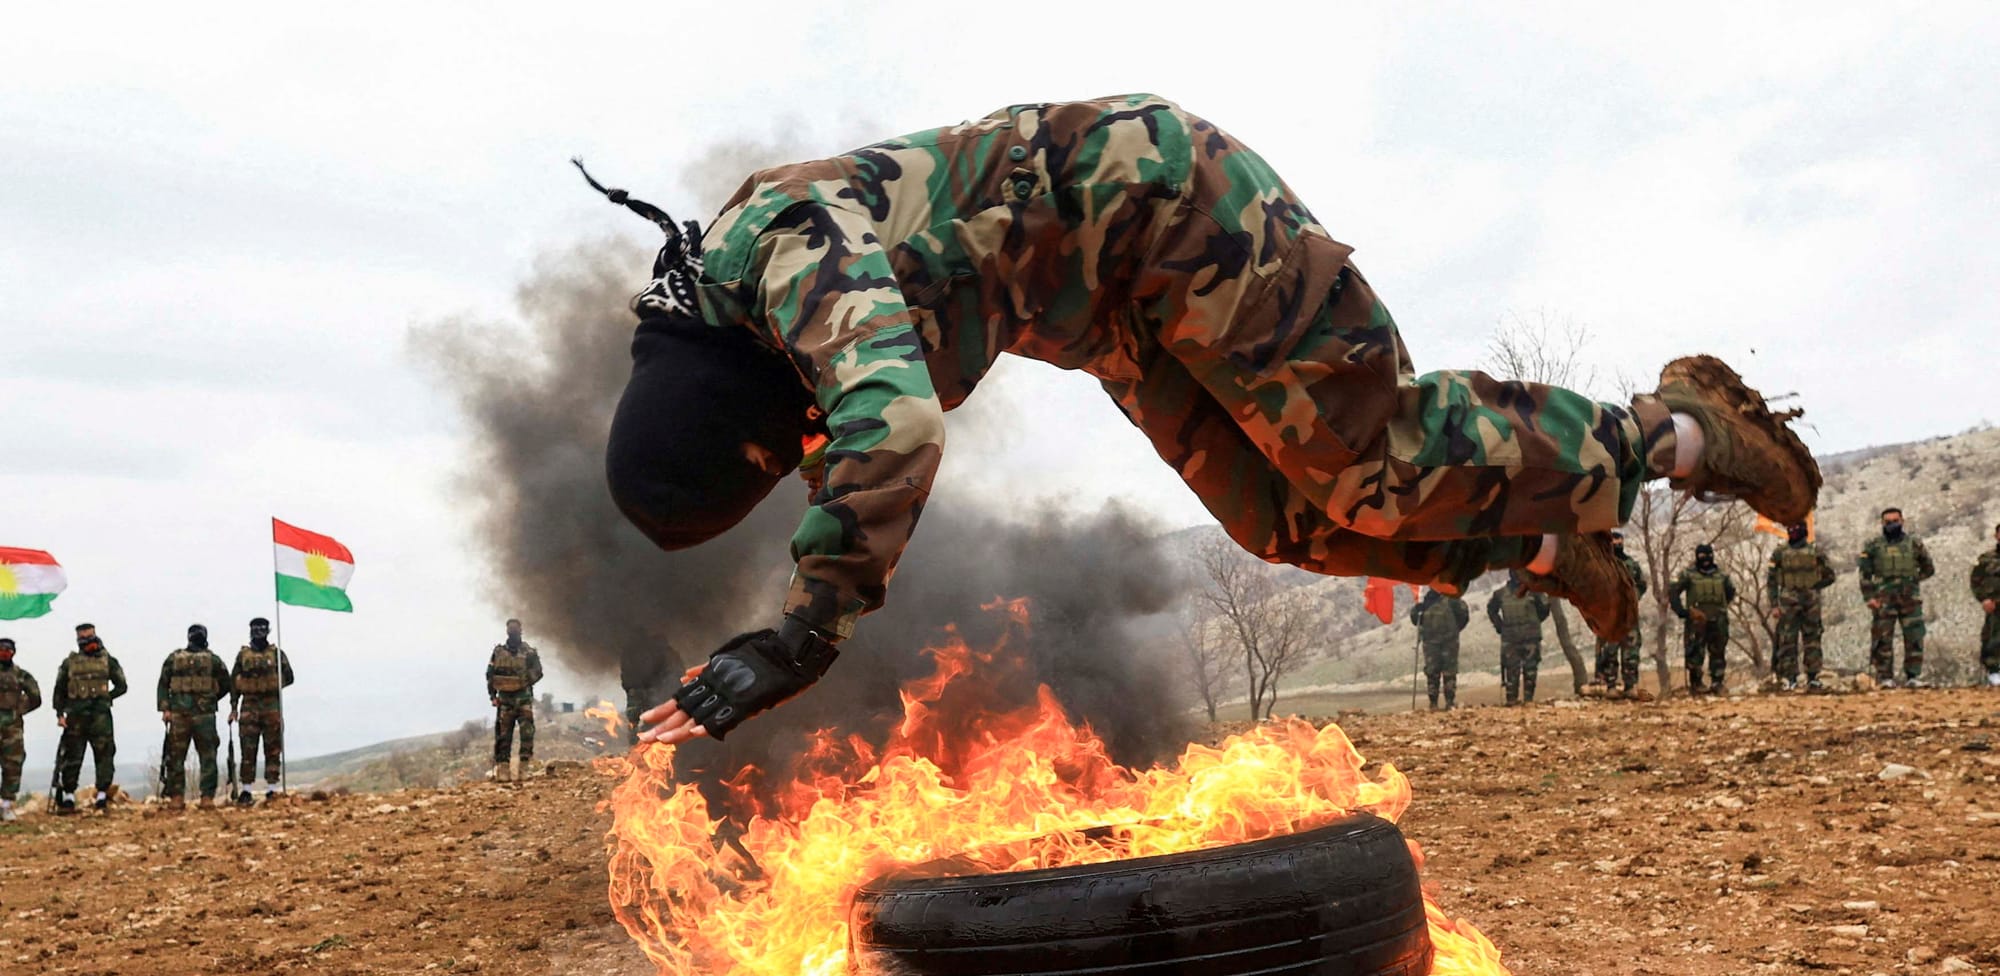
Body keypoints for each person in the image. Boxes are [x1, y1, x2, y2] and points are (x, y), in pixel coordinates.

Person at [581, 95, 1819, 744]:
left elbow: (894, 429)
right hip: (1109, 308)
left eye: (784, 446)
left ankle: (1678, 429)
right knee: (1286, 520)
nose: (804, 448)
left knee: (1369, 456)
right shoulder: (737, 323)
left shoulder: (779, 252)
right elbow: (851, 425)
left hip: (1166, 206)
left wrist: (804, 633)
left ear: (736, 409)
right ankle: (1548, 545)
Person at [51, 623, 127, 813]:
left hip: (100, 717)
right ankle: (68, 797)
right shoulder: (70, 663)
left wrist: (106, 697)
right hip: (75, 717)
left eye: (89, 637)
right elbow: (59, 690)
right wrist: (60, 714)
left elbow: (122, 685)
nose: (87, 641)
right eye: (83, 638)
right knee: (72, 756)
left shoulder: (107, 660)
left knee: (104, 755)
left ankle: (102, 796)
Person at [156, 624, 232, 809]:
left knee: (207, 756)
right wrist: (166, 709)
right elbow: (163, 684)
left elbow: (226, 683)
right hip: (181, 715)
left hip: (202, 716)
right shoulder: (174, 659)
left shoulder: (213, 661)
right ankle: (177, 797)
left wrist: (210, 698)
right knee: (176, 757)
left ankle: (207, 797)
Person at [1858, 507, 1935, 688]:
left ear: (1902, 521)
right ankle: (1885, 678)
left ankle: (1913, 676)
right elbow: (1864, 574)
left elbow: (1928, 568)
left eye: (1895, 521)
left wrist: (1914, 580)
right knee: (1883, 639)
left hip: (1910, 599)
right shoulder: (1873, 546)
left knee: (1914, 637)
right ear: (1882, 523)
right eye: (1888, 522)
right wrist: (1869, 597)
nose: (1892, 524)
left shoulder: (1914, 544)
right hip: (1884, 599)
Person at [229, 617, 295, 805]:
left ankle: (272, 789)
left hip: (271, 707)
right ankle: (246, 791)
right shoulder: (243, 655)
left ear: (268, 630)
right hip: (249, 707)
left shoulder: (276, 654)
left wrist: (273, 683)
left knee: (273, 748)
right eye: (255, 628)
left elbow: (289, 676)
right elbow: (234, 682)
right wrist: (233, 708)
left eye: (262, 628)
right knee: (248, 750)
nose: (259, 631)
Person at [1765, 521, 1837, 692]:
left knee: (1812, 639)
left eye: (1796, 528)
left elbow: (1830, 575)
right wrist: (1774, 605)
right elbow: (1771, 581)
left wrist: (1814, 587)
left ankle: (1813, 677)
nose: (1793, 531)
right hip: (1788, 602)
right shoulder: (1780, 553)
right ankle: (1789, 678)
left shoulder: (1815, 552)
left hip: (1810, 603)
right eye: (1790, 528)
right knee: (1787, 640)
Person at [1669, 543, 1737, 696]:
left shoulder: (1722, 576)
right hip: (1697, 620)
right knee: (1695, 653)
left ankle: (1717, 683)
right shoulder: (1688, 575)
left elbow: (1730, 592)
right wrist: (1682, 612)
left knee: (1718, 652)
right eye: (1702, 556)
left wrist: (1720, 608)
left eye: (1708, 556)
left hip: (1718, 619)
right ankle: (1696, 684)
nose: (1705, 559)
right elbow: (1673, 592)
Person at [1593, 530, 1649, 698]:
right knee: (1609, 651)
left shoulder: (1632, 564)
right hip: (1608, 615)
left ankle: (1630, 686)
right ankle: (1610, 686)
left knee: (1631, 651)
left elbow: (1642, 585)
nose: (1617, 543)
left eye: (1619, 540)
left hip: (1628, 615)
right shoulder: (1601, 564)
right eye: (1614, 540)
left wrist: (1634, 598)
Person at [487, 619, 544, 778]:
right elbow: (490, 674)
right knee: (504, 737)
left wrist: (525, 681)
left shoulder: (528, 652)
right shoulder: (499, 652)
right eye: (511, 629)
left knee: (527, 733)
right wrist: (493, 696)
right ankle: (503, 770)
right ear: (507, 632)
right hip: (505, 700)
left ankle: (524, 768)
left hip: (523, 699)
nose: (513, 632)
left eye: (515, 629)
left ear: (520, 631)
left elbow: (538, 672)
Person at [1486, 572, 1550, 706]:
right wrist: (1500, 626)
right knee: (1511, 671)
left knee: (1530, 670)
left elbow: (1544, 609)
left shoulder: (1534, 592)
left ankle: (1528, 700)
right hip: (1511, 639)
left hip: (1530, 638)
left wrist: (1534, 623)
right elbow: (1491, 610)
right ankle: (1512, 700)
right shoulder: (1501, 594)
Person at [0, 637, 41, 822]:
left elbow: (35, 697)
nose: (5, 653)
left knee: (13, 765)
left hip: (12, 727)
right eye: (1, 650)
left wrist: (18, 709)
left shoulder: (21, 675)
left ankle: (6, 805)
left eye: (8, 650)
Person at [1409, 589, 1469, 710]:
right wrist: (1417, 609)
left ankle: (1450, 702)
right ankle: (1433, 703)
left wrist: (1454, 631)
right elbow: (1415, 620)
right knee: (1432, 673)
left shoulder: (1452, 600)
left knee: (1450, 672)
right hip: (1431, 644)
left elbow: (1463, 615)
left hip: (1449, 642)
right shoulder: (1425, 601)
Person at [621, 638, 685, 745]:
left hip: (661, 690)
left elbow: (676, 675)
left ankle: (649, 744)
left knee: (656, 715)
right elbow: (627, 676)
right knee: (635, 716)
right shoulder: (631, 654)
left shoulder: (667, 655)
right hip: (640, 688)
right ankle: (637, 744)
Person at [1973, 521, 2000, 687]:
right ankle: (1995, 672)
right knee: (1993, 639)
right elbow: (1976, 582)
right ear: (1996, 536)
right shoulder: (1986, 559)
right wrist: (1983, 599)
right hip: (1995, 606)